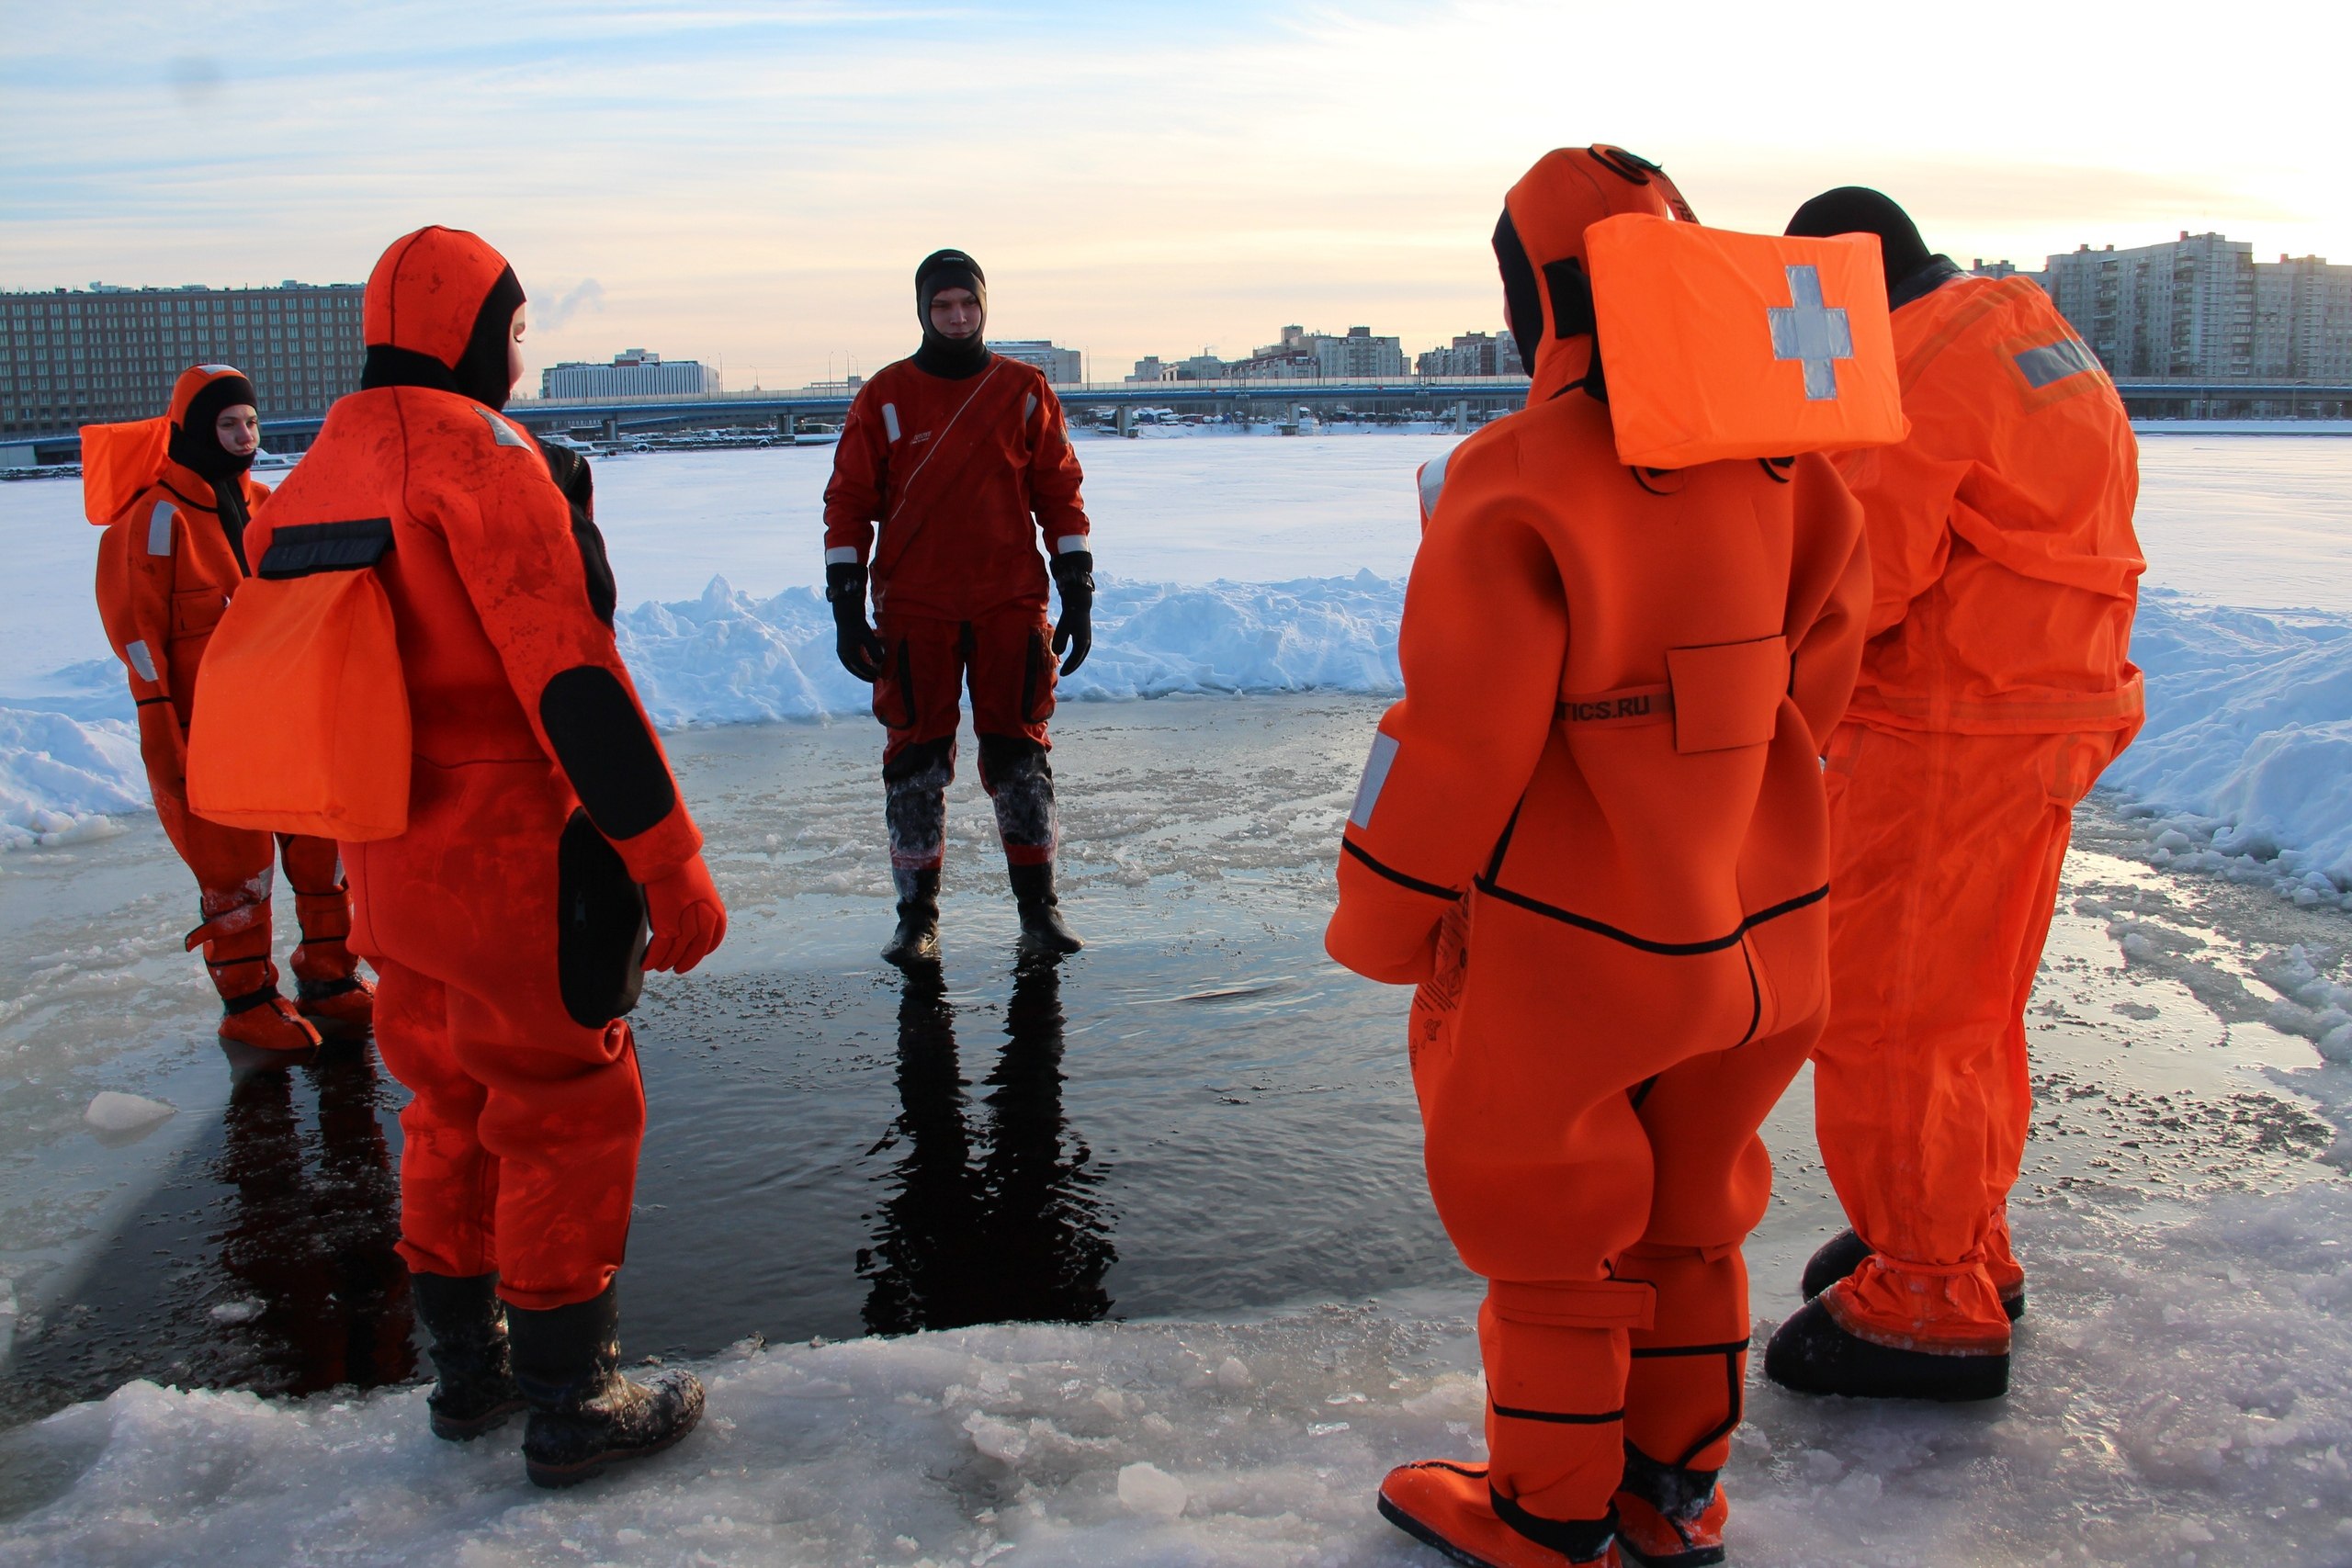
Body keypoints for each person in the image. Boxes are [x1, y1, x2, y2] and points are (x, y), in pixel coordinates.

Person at [1327, 145, 1877, 1568]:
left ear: (1533, 295)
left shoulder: (1515, 480)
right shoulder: (1794, 465)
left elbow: (1452, 742)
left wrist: (1380, 918)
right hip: (1762, 931)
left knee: (1554, 1215)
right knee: (1695, 1201)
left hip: (1580, 942)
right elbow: (1817, 680)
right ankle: (1673, 1492)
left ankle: (1543, 1510)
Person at [227, 225, 729, 1488]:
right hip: (517, 853)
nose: (517, 357)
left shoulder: (311, 477)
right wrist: (667, 857)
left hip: (386, 853)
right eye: (514, 332)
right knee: (566, 1107)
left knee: (448, 1101)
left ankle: (468, 1373)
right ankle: (573, 1395)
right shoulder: (486, 463)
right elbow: (572, 680)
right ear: (475, 331)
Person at [1764, 189, 2143, 1403]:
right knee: (1970, 1009)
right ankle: (1957, 1238)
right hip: (2039, 715)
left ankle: (1925, 1292)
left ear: (1840, 284)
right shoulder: (2023, 330)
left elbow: (1855, 579)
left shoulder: (1914, 371)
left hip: (1948, 727)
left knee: (1888, 1013)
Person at [86, 365, 374, 1060]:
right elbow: (137, 630)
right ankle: (246, 1002)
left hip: (284, 719)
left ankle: (329, 974)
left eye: (250, 422)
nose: (244, 436)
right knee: (234, 865)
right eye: (227, 424)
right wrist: (161, 721)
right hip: (206, 729)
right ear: (193, 430)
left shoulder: (269, 504)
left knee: (319, 847)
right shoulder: (154, 520)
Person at [821, 249, 1095, 964]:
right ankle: (918, 919)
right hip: (916, 608)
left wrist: (1077, 584)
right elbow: (848, 502)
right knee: (914, 761)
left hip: (1010, 603)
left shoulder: (1025, 390)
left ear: (983, 307)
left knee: (1019, 756)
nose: (957, 317)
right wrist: (846, 602)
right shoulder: (884, 395)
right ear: (923, 311)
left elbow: (1059, 491)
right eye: (943, 306)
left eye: (967, 304)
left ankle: (1040, 911)